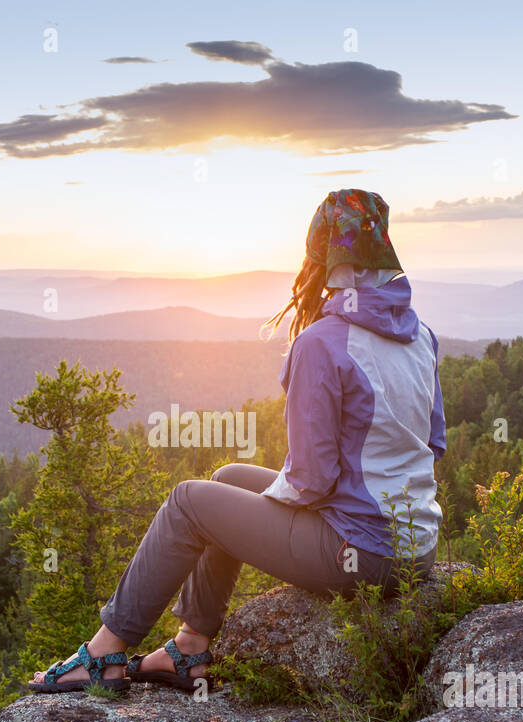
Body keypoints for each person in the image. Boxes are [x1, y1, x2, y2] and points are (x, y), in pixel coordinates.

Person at [28, 187, 446, 693]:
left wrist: (269, 507)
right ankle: (190, 648)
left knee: (189, 503)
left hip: (362, 554)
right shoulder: (420, 335)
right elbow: (433, 444)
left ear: (322, 256)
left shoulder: (321, 343)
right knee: (227, 480)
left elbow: (311, 482)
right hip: (414, 548)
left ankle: (105, 654)